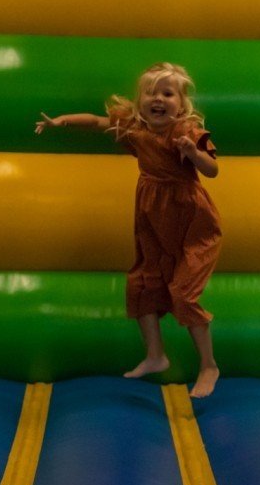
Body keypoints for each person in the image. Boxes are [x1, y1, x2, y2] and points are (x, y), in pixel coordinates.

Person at [35, 63, 223, 397]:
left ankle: (209, 366)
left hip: (191, 221)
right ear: (140, 101)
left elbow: (212, 170)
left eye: (168, 93)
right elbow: (97, 122)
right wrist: (64, 120)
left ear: (181, 104)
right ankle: (155, 355)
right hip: (153, 217)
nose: (158, 99)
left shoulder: (185, 131)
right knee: (141, 284)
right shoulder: (136, 127)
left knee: (183, 293)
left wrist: (193, 154)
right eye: (151, 93)